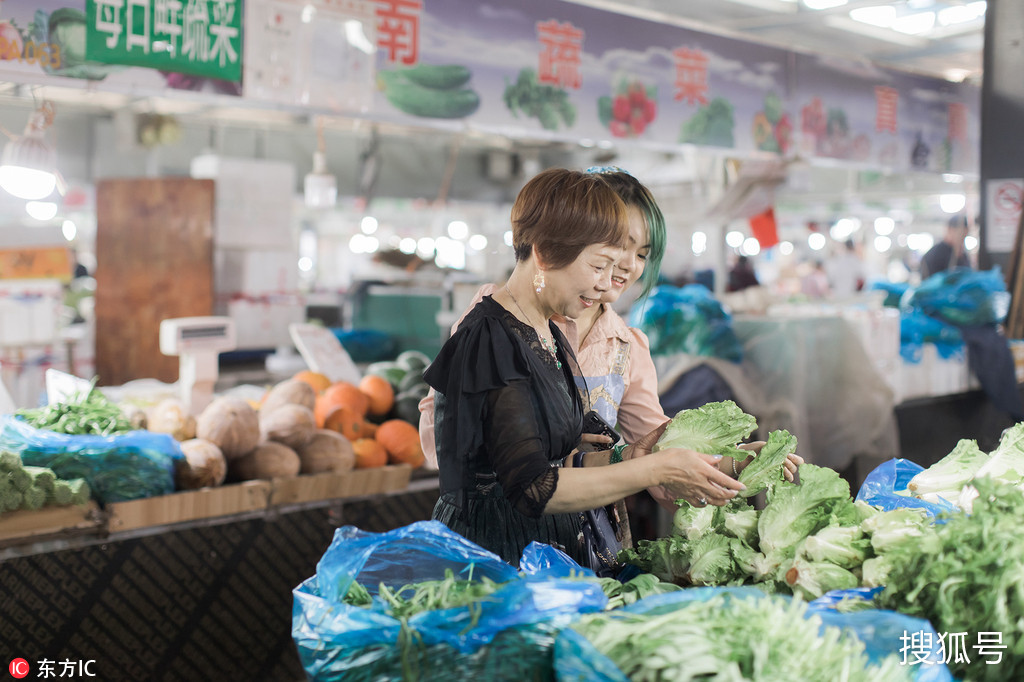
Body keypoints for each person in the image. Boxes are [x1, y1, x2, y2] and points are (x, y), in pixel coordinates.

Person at [421, 168, 798, 567]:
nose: (612, 281)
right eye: (602, 262)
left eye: (638, 255)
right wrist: (649, 467)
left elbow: (598, 455)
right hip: (498, 558)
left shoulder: (554, 333)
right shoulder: (492, 334)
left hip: (564, 554)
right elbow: (523, 481)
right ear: (550, 252)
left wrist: (726, 462)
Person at [920, 214, 970, 279]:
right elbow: (930, 284)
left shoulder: (962, 255)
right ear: (949, 229)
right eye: (960, 234)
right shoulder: (935, 255)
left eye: (965, 235)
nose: (962, 238)